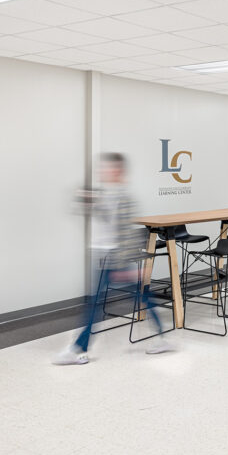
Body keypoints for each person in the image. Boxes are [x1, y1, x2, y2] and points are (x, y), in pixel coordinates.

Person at [54, 152, 171, 365]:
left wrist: (129, 265)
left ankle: (79, 349)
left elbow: (127, 234)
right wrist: (84, 200)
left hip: (111, 258)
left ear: (118, 171)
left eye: (109, 168)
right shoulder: (105, 195)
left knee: (95, 305)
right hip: (103, 255)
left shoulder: (123, 198)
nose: (104, 172)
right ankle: (161, 336)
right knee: (138, 296)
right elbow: (85, 210)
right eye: (103, 168)